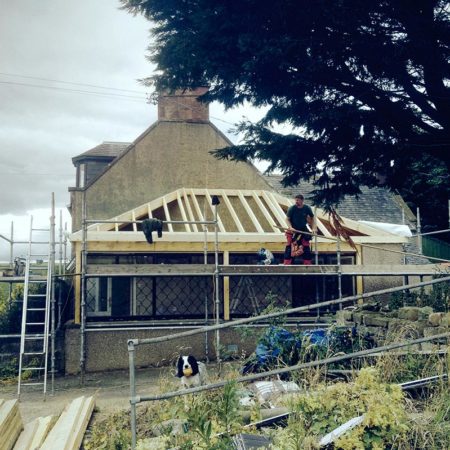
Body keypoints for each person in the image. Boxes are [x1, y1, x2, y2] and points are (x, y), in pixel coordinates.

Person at [284, 194, 315, 265]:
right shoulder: (292, 208)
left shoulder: (307, 208)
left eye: (298, 200)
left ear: (302, 200)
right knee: (289, 247)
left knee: (306, 247)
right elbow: (287, 219)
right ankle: (287, 264)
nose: (296, 202)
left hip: (303, 229)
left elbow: (312, 218)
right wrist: (290, 227)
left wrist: (313, 228)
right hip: (293, 230)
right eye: (295, 200)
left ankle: (307, 264)